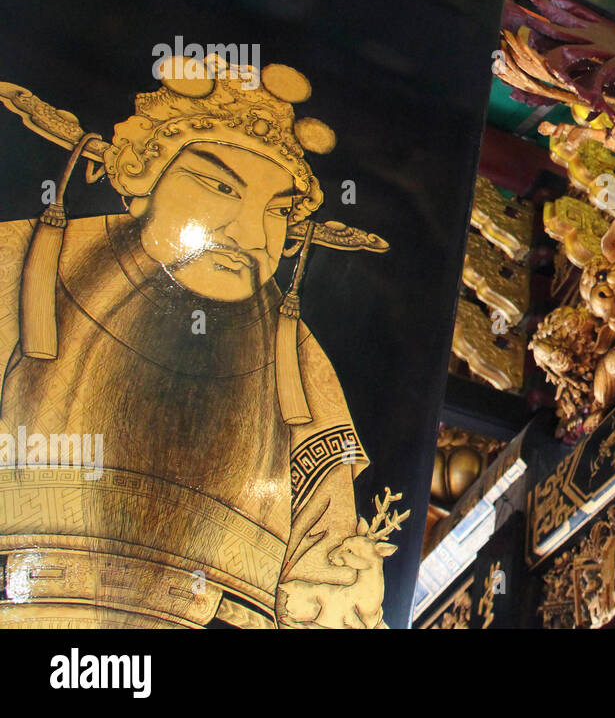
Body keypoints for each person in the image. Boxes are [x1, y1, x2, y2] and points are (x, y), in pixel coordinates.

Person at [0, 53, 401, 628]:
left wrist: (339, 582)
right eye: (219, 186)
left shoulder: (296, 356)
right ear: (143, 179)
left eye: (277, 211)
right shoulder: (20, 265)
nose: (249, 234)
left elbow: (322, 547)